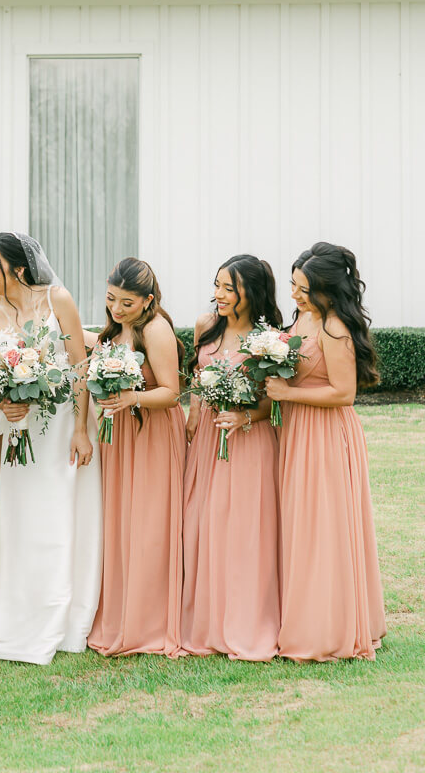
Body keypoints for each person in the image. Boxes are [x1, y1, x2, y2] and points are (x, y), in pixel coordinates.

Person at [0, 232, 102, 665]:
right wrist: (3, 399)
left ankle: (58, 612)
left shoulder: (59, 300)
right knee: (15, 518)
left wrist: (80, 429)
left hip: (58, 430)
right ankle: (10, 611)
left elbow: (78, 365)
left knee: (56, 514)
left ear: (18, 268)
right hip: (12, 432)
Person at [266, 242, 386, 661]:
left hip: (326, 434)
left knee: (324, 526)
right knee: (302, 523)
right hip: (299, 431)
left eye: (302, 288)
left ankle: (328, 626)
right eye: (294, 285)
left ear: (327, 291)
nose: (295, 295)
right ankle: (304, 615)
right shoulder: (303, 317)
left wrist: (288, 392)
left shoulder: (334, 327)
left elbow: (344, 393)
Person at [181, 254, 282, 661]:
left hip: (249, 441)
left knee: (243, 530)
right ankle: (204, 620)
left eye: (229, 288)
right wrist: (193, 412)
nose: (219, 295)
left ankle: (245, 620)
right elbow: (195, 380)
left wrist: (245, 416)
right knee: (201, 524)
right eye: (217, 286)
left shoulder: (269, 338)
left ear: (250, 293)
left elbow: (275, 404)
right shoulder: (207, 327)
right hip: (209, 437)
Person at [87, 258, 186, 657]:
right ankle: (121, 612)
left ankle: (150, 621)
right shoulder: (116, 328)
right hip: (122, 435)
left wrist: (131, 398)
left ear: (148, 301)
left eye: (126, 303)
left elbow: (171, 392)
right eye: (111, 299)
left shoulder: (157, 330)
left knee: (149, 525)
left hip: (153, 435)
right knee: (122, 524)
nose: (116, 309)